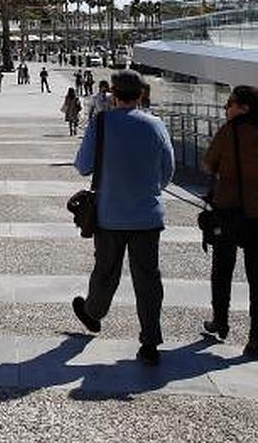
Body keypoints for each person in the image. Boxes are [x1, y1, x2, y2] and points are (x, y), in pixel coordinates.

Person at [72, 70, 175, 365]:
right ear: (141, 94)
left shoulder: (101, 123)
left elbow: (83, 166)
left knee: (106, 271)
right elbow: (167, 171)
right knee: (148, 279)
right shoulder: (156, 125)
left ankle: (93, 313)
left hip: (109, 215)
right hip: (147, 216)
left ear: (114, 94)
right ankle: (151, 340)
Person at [202, 85, 258, 360]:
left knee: (222, 270)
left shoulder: (228, 132)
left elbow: (208, 164)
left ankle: (220, 321)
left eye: (230, 103)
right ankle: (257, 338)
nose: (227, 108)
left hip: (228, 212)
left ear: (244, 108)